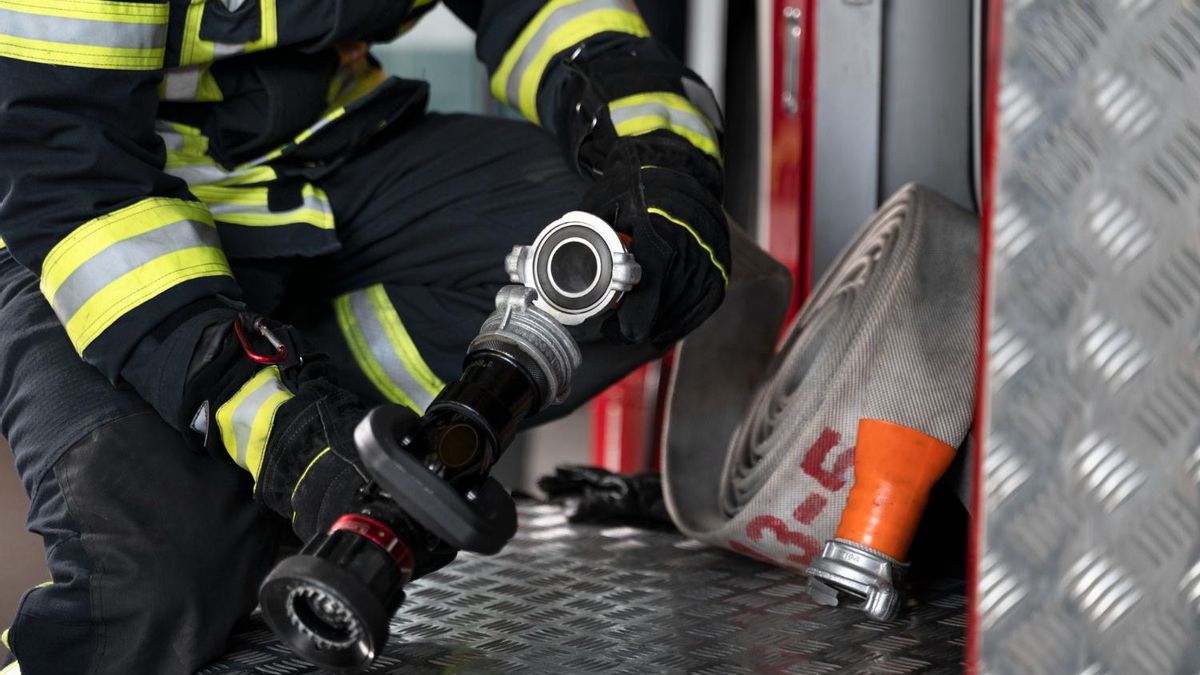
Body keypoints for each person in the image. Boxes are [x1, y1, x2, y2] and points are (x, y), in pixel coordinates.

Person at [0, 1, 730, 672]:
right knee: (148, 588)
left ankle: (279, 469)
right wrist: (281, 431)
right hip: (89, 233)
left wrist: (659, 157)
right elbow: (66, 169)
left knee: (639, 269)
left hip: (323, 161)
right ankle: (240, 464)